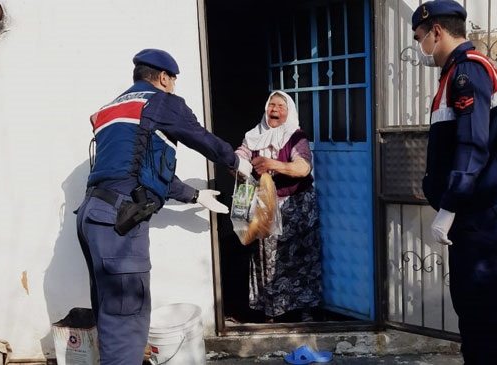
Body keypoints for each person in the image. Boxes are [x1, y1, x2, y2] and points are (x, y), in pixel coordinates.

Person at [75, 48, 252, 365]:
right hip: (120, 220)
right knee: (126, 321)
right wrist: (237, 161)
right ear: (163, 78)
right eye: (173, 81)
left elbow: (142, 171)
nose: (173, 88)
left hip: (93, 217)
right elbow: (200, 137)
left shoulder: (111, 110)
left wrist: (195, 195)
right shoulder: (160, 102)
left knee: (110, 312)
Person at [411, 1, 497, 364]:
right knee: (474, 308)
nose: (420, 47)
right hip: (473, 212)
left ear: (436, 32)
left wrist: (449, 206)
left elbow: (472, 144)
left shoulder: (466, 73)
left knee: (478, 309)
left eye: (420, 37)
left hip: (476, 213)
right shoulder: (460, 72)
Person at [235, 90, 322, 323]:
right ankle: (271, 310)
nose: (274, 109)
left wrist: (272, 164)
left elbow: (303, 168)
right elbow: (239, 158)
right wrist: (237, 165)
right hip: (265, 205)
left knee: (301, 258)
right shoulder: (254, 136)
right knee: (267, 258)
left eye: (280, 106)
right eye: (271, 105)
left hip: (296, 206)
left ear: (289, 111)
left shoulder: (295, 136)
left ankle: (305, 310)